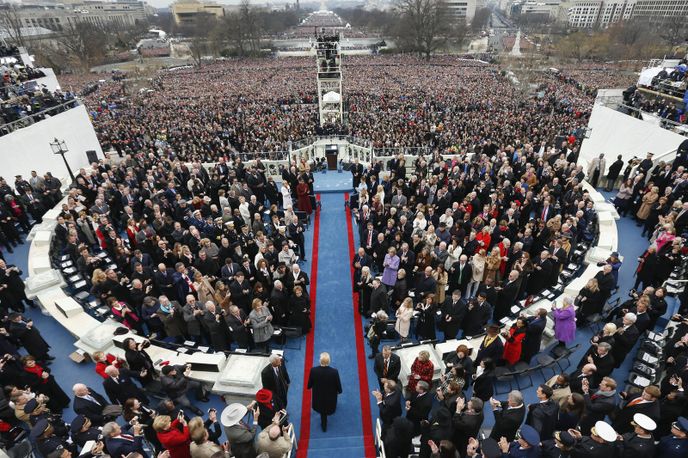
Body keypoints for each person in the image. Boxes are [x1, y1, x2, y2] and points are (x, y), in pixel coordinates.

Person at [307, 352, 342, 432]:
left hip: (318, 396)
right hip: (330, 397)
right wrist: (339, 391)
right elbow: (338, 386)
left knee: (322, 412)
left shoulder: (313, 370)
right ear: (329, 361)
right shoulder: (334, 372)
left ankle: (324, 426)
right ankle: (324, 425)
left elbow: (309, 385)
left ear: (320, 361)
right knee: (327, 409)